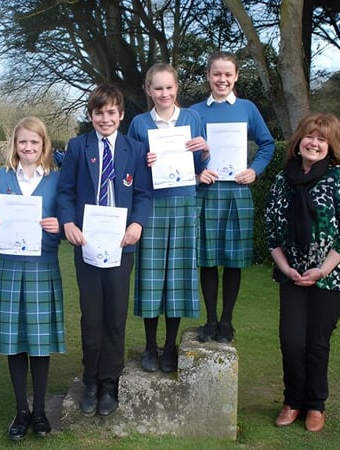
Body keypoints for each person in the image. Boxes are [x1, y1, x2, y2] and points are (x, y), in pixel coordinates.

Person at [264, 113, 340, 432]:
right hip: (293, 272)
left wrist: (321, 270)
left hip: (334, 274)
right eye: (310, 136)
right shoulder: (284, 180)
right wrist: (287, 269)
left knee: (316, 342)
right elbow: (271, 230)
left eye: (323, 139)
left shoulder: (339, 178)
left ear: (331, 146)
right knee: (292, 340)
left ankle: (315, 405)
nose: (315, 143)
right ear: (299, 141)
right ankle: (293, 401)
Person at [56, 84, 153, 417]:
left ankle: (110, 383)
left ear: (121, 114)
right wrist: (68, 222)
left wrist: (137, 224)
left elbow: (142, 194)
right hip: (86, 243)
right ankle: (91, 381)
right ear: (91, 114)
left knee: (115, 316)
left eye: (112, 112)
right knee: (92, 317)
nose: (106, 118)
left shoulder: (135, 149)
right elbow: (66, 191)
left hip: (121, 244)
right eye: (99, 112)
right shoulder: (77, 147)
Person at [0, 117, 65, 440]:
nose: (28, 148)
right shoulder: (1, 178)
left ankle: (40, 411)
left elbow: (68, 218)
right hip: (11, 268)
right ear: (14, 145)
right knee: (15, 343)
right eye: (22, 142)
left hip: (43, 266)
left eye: (35, 143)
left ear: (44, 146)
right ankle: (21, 411)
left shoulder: (56, 179)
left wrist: (60, 226)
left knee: (39, 344)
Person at [127, 62, 209, 373]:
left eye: (169, 88)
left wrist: (204, 150)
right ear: (149, 90)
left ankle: (170, 345)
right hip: (152, 206)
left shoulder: (192, 118)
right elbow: (131, 170)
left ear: (177, 89)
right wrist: (142, 162)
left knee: (176, 277)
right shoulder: (138, 124)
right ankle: (150, 346)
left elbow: (201, 169)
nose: (164, 93)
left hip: (184, 204)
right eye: (158, 88)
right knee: (151, 276)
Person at [191, 51, 276, 343]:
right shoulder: (194, 113)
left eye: (228, 74)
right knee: (208, 259)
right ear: (208, 76)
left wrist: (254, 170)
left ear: (236, 76)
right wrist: (198, 172)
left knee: (233, 260)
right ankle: (211, 320)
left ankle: (227, 321)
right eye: (217, 74)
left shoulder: (247, 109)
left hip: (237, 192)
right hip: (207, 192)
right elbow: (181, 152)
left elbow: (267, 144)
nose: (222, 79)